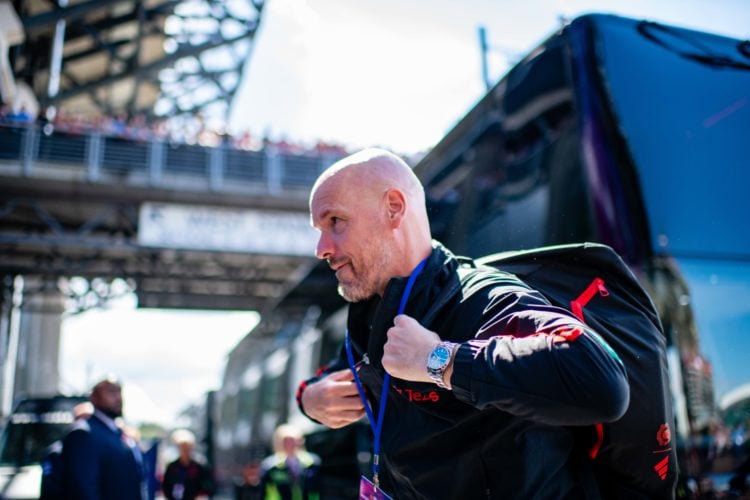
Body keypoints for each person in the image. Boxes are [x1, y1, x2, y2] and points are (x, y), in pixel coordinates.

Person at [297, 148, 631, 499]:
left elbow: (602, 380)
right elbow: (323, 379)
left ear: (393, 208)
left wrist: (438, 359)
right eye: (319, 230)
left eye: (335, 222)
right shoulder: (367, 317)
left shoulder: (481, 296)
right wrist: (311, 400)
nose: (321, 248)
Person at [60, 377, 148, 500]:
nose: (118, 398)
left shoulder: (116, 431)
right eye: (111, 392)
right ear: (94, 397)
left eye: (119, 392)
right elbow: (83, 490)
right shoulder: (84, 433)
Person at [259, 423, 321, 500]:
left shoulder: (312, 462)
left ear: (300, 441)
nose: (289, 444)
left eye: (292, 440)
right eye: (285, 441)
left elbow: (320, 488)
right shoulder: (270, 466)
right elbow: (264, 492)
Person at [162, 429, 215, 500]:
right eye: (182, 446)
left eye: (187, 446)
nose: (184, 450)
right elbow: (166, 486)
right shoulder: (172, 467)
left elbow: (207, 487)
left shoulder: (199, 467)